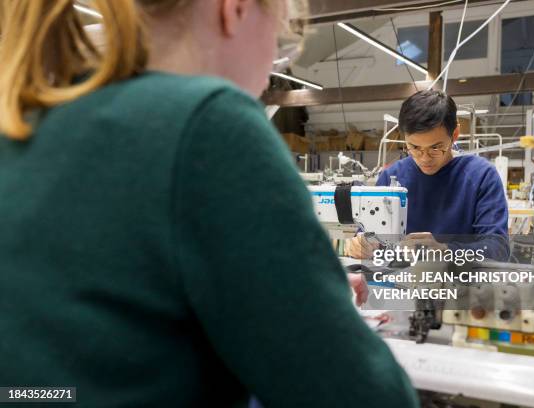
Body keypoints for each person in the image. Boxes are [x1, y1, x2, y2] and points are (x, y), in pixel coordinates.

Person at [0, 1, 418, 407]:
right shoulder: (208, 122)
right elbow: (360, 394)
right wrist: (321, 311)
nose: (268, 78)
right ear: (233, 8)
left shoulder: (23, 123)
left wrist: (292, 292)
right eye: (281, 44)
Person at [347, 90, 509, 260]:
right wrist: (360, 245)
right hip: (399, 282)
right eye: (415, 147)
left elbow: (498, 249)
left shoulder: (482, 176)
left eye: (435, 147)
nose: (425, 158)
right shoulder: (392, 177)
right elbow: (368, 236)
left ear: (454, 134)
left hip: (460, 282)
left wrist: (446, 251)